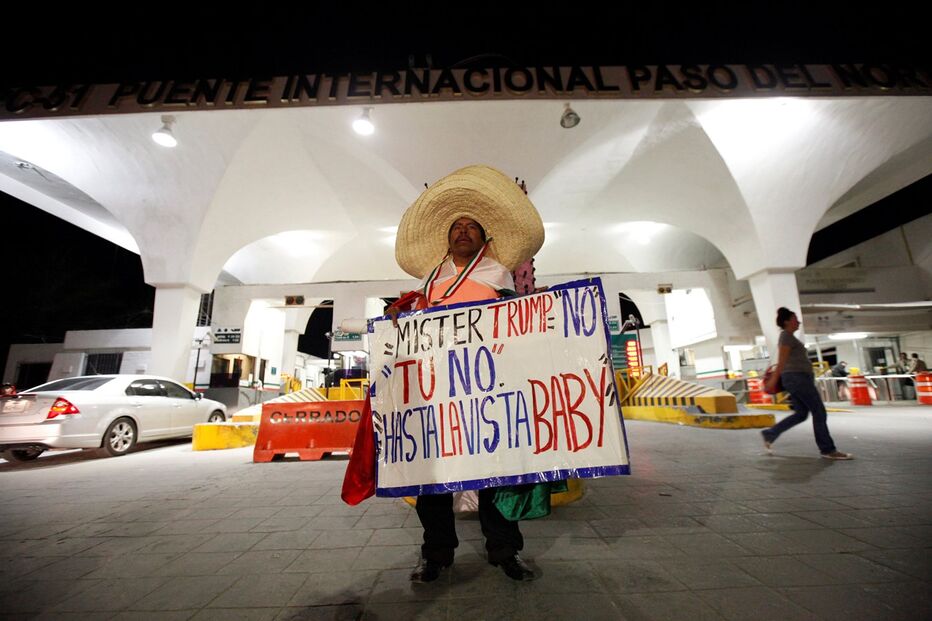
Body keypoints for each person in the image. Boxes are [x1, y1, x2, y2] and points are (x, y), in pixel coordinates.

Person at [388, 165, 544, 584]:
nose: (462, 231)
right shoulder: (430, 281)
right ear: (447, 236)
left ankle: (505, 552)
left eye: (471, 226)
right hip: (438, 391)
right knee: (433, 480)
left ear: (484, 237)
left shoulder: (498, 276)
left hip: (489, 386)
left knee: (498, 473)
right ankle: (436, 555)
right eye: (456, 226)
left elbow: (517, 326)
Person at [762, 307, 852, 460]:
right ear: (787, 321)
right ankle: (827, 449)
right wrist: (773, 379)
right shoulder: (786, 337)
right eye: (795, 319)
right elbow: (782, 361)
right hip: (797, 379)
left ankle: (770, 433)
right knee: (819, 411)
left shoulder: (789, 337)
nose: (798, 322)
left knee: (801, 414)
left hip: (798, 379)